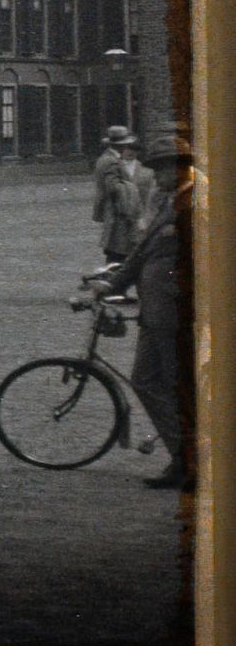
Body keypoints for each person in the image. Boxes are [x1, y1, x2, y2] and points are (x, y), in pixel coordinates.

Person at [97, 132, 192, 490]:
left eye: (163, 168)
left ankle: (190, 461)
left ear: (180, 169)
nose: (156, 175)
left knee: (175, 386)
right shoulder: (170, 203)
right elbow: (142, 254)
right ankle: (183, 456)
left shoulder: (195, 205)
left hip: (176, 317)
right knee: (148, 382)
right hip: (155, 315)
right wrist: (114, 282)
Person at [99, 133, 148, 263]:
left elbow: (148, 197)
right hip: (118, 219)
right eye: (128, 149)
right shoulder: (112, 166)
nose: (131, 153)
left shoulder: (146, 171)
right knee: (115, 256)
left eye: (135, 150)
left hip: (138, 219)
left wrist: (143, 217)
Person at [92, 124, 132, 263]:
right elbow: (113, 187)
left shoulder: (106, 158)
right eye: (125, 145)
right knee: (118, 252)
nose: (127, 148)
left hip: (113, 210)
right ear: (120, 146)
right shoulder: (111, 161)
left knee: (117, 252)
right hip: (118, 211)